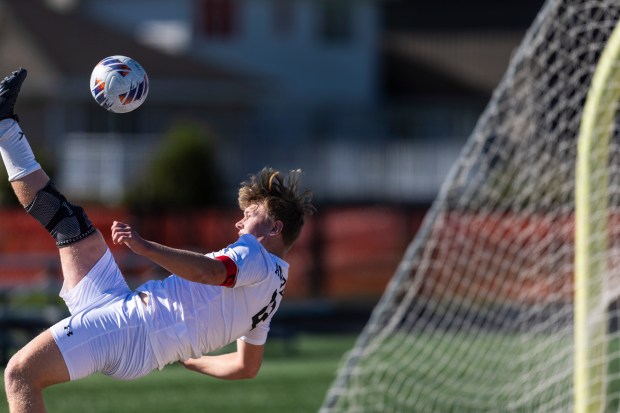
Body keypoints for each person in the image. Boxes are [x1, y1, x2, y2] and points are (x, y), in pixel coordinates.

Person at [0, 68, 315, 413]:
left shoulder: (256, 256)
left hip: (131, 329)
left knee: (20, 374)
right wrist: (192, 361)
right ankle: (4, 124)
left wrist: (143, 245)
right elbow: (246, 367)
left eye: (251, 215)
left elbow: (210, 273)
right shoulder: (272, 291)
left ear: (275, 229)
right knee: (67, 222)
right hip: (125, 310)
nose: (240, 222)